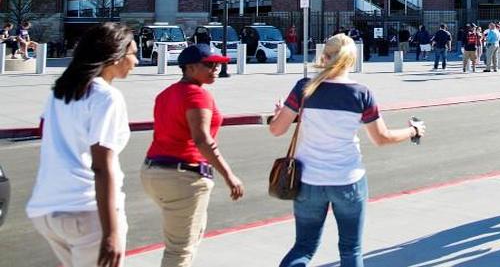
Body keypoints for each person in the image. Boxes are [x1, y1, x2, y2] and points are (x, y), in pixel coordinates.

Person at [268, 34, 424, 267]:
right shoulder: (361, 94)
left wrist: (282, 112)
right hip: (348, 180)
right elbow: (382, 138)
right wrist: (413, 131)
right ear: (352, 61)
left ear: (324, 56)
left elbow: (276, 129)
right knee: (351, 250)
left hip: (308, 181)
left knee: (304, 247)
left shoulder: (304, 88)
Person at [26, 23, 138, 267]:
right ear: (115, 55)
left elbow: (45, 133)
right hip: (85, 212)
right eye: (132, 54)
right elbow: (102, 164)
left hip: (46, 210)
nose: (136, 61)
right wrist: (111, 232)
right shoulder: (107, 97)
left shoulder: (61, 92)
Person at [142, 44, 245, 267]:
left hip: (153, 171)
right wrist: (229, 175)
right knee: (180, 251)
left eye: (218, 64)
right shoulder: (197, 95)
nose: (216, 68)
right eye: (209, 64)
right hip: (183, 177)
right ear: (189, 68)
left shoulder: (165, 94)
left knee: (185, 238)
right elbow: (202, 140)